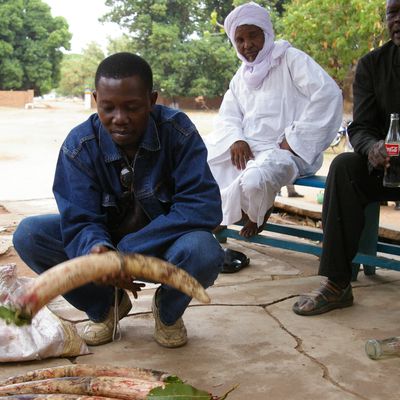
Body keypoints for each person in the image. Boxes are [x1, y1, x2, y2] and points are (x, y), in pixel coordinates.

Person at [12, 52, 224, 347]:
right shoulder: (79, 144)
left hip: (164, 246)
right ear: (96, 98)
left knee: (204, 250)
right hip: (109, 249)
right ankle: (106, 306)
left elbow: (203, 207)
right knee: (30, 235)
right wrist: (98, 251)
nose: (119, 119)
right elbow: (81, 219)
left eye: (132, 107)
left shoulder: (178, 132)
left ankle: (168, 311)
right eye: (107, 107)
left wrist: (124, 254)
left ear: (152, 100)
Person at [205, 1, 342, 268]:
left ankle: (258, 210)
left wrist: (295, 139)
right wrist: (237, 138)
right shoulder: (241, 75)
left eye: (253, 35)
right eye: (240, 39)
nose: (247, 45)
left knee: (255, 179)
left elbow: (327, 94)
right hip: (252, 147)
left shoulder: (291, 59)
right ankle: (227, 218)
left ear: (266, 32)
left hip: (287, 151)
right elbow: (229, 113)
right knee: (204, 162)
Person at [292, 0, 400, 316]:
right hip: (386, 166)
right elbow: (361, 127)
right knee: (343, 167)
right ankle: (337, 283)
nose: (397, 19)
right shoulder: (372, 65)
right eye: (392, 13)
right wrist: (372, 147)